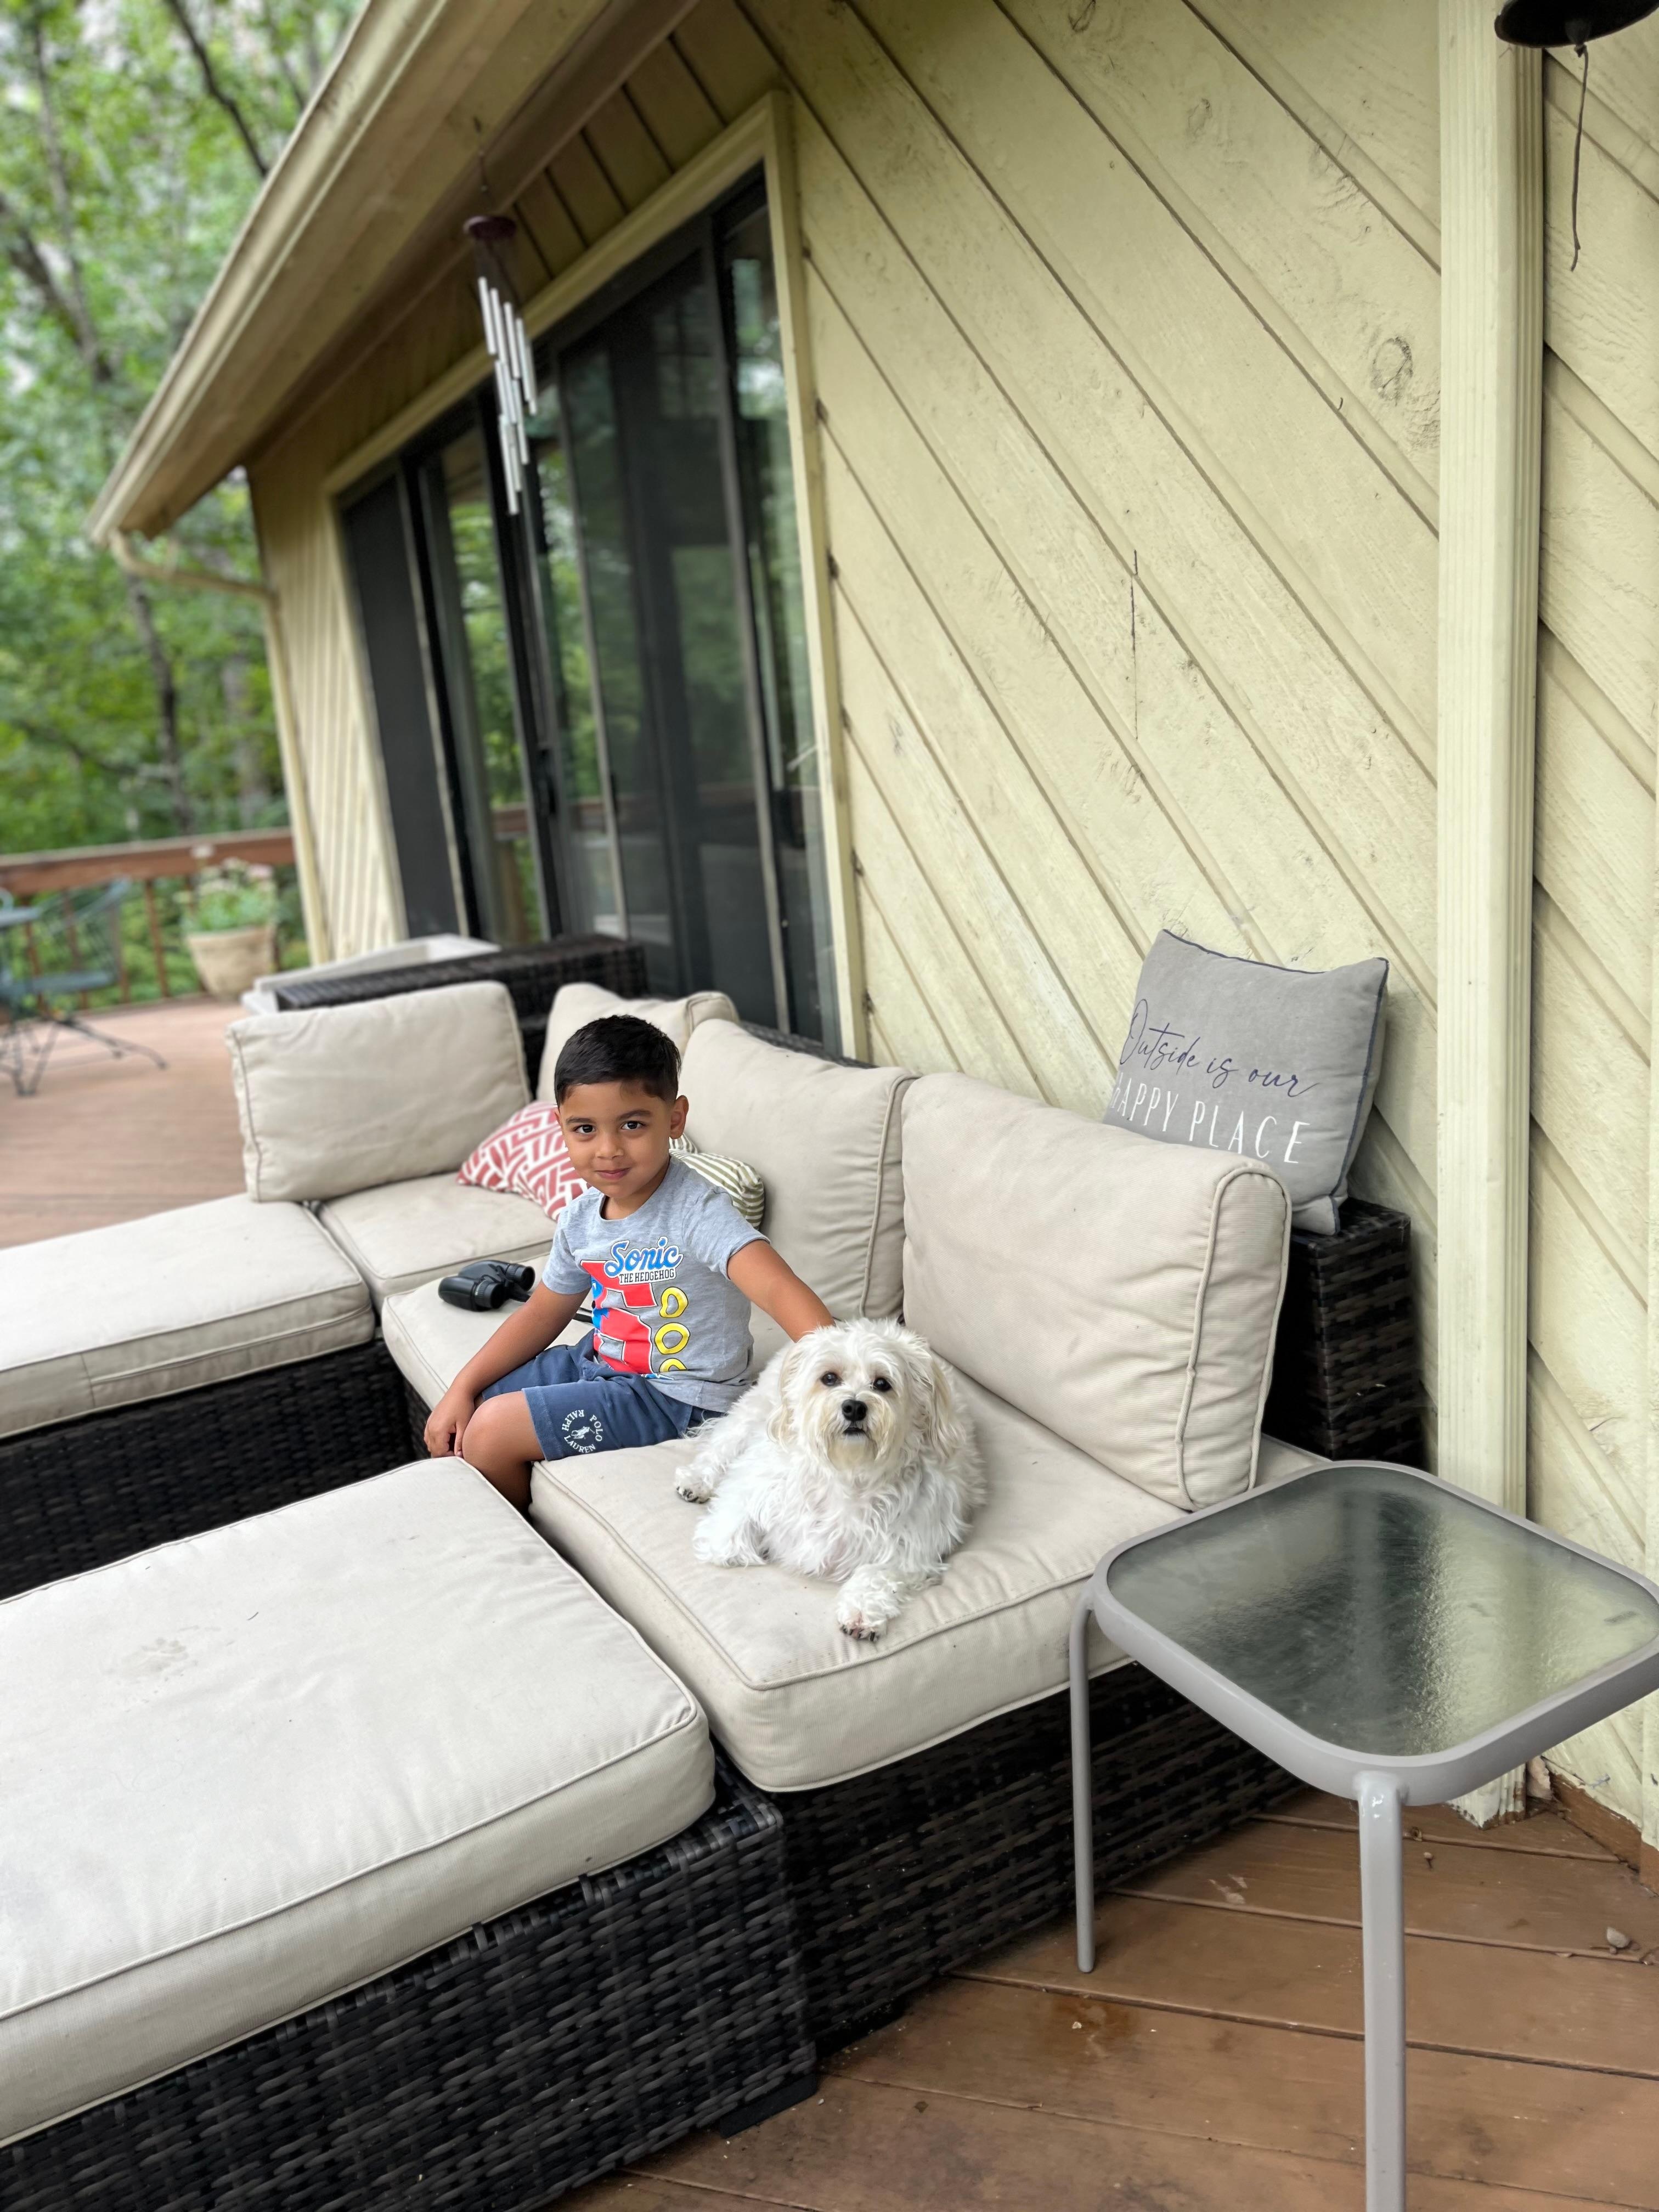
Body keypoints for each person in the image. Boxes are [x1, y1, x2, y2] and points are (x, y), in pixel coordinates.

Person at [425, 1013, 833, 1511]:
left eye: (633, 1125)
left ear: (675, 1119)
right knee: (471, 1408)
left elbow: (775, 1287)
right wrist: (460, 1388)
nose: (609, 1150)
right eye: (585, 1129)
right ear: (561, 1127)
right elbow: (542, 1313)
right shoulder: (580, 1218)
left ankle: (521, 1536)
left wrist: (837, 1370)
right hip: (601, 1363)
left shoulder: (697, 1211)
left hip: (679, 1397)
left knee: (489, 1433)